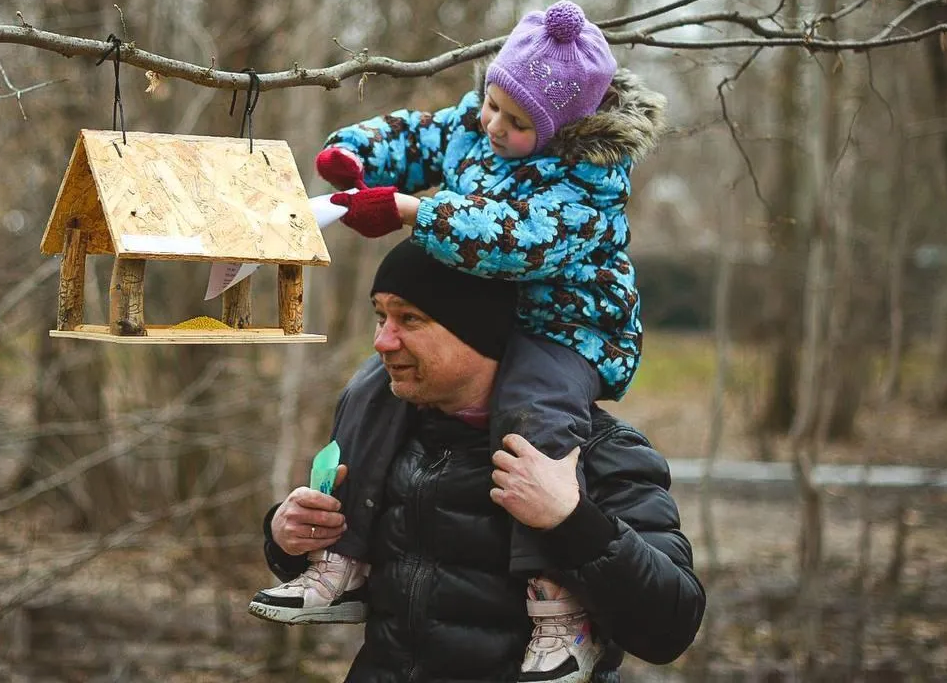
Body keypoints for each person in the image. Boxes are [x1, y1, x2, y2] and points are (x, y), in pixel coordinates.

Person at [249, 0, 668, 682]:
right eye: (493, 105)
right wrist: (357, 154)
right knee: (367, 389)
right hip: (496, 304)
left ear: (561, 126)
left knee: (534, 419)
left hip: (568, 327)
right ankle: (342, 557)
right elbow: (420, 135)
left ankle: (558, 605)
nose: (494, 126)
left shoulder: (586, 181)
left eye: (518, 121)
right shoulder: (482, 124)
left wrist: (415, 209)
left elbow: (516, 239)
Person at [251, 239, 705, 682]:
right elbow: (398, 589)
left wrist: (572, 521)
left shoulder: (597, 450)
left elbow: (670, 628)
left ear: (480, 332)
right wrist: (289, 536)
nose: (383, 341)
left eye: (410, 318)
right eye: (380, 316)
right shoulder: (384, 433)